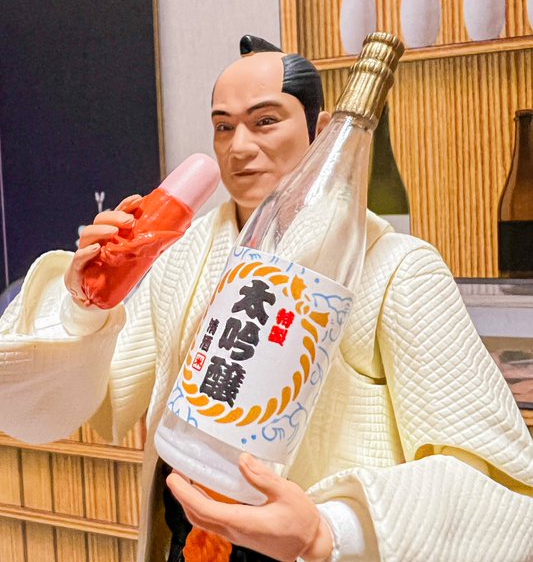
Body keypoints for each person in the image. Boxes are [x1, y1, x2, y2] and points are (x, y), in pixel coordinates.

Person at [1, 36, 533, 562]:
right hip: (187, 537)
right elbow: (90, 403)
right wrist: (86, 305)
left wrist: (333, 529)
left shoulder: (396, 268)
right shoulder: (185, 257)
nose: (239, 147)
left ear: (322, 131)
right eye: (223, 127)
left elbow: (496, 480)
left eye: (265, 121)